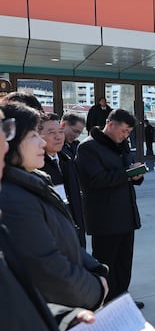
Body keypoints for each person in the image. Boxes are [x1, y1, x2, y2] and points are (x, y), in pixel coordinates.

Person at [0, 103, 109, 310]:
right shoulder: (12, 199)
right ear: (10, 142)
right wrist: (95, 290)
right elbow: (47, 267)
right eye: (34, 135)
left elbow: (66, 243)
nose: (42, 142)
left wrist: (97, 271)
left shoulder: (36, 182)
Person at [75, 109, 145, 308]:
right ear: (110, 124)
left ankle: (122, 297)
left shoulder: (122, 146)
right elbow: (94, 180)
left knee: (124, 260)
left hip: (126, 213)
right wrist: (127, 174)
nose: (125, 135)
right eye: (123, 131)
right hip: (104, 216)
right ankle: (105, 301)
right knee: (106, 261)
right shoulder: (88, 147)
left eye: (129, 132)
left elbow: (127, 172)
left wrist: (136, 175)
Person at [39, 112, 87, 247]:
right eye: (51, 133)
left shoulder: (67, 160)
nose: (58, 137)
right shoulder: (37, 168)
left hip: (74, 234)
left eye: (60, 132)